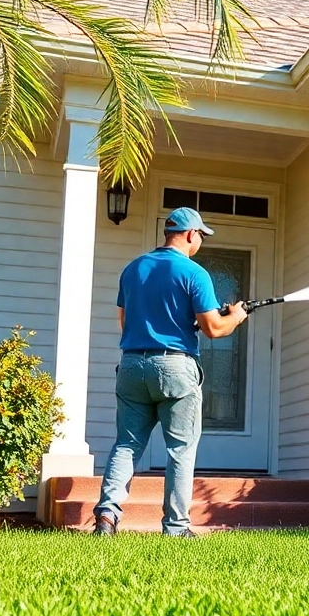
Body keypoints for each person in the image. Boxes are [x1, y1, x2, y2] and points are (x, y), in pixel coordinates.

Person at [93, 207, 249, 537]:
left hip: (132, 364)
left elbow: (126, 321)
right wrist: (236, 316)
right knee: (179, 449)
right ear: (191, 234)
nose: (200, 243)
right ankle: (176, 527)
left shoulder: (133, 269)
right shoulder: (194, 273)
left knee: (126, 444)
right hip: (175, 367)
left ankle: (107, 514)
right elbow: (214, 329)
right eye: (201, 236)